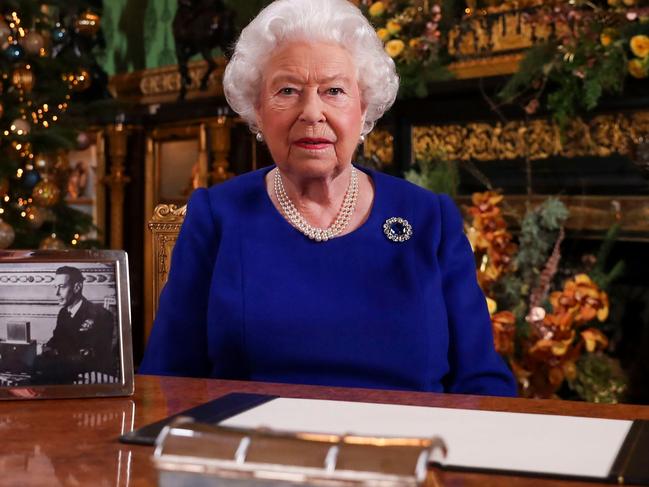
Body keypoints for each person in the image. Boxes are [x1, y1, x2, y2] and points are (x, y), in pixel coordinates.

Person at [140, 0, 517, 396]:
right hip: (256, 448)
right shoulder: (217, 216)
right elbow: (168, 378)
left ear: (363, 106)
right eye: (287, 90)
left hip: (408, 450)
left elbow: (481, 379)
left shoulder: (428, 218)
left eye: (334, 90)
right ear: (257, 109)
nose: (312, 112)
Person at [33, 266, 116, 384]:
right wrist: (43, 348)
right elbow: (56, 340)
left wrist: (54, 353)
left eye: (62, 287)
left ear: (77, 287)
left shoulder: (100, 315)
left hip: (88, 373)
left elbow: (91, 355)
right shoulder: (63, 313)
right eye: (55, 287)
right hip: (65, 367)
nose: (56, 293)